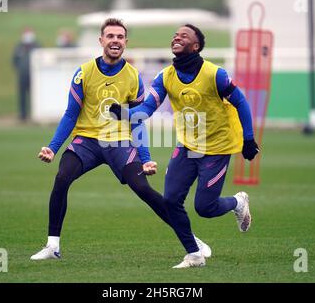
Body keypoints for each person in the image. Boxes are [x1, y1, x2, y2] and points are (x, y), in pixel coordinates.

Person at [30, 18, 211, 261]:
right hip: (87, 141)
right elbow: (71, 114)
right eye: (110, 36)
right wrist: (53, 148)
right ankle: (53, 246)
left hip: (119, 142)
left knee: (143, 189)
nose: (115, 40)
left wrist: (146, 158)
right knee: (62, 178)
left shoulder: (133, 76)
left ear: (125, 42)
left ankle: (190, 238)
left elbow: (137, 120)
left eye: (120, 37)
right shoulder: (83, 73)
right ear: (101, 40)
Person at [110, 24, 260, 268]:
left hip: (217, 148)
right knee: (170, 200)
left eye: (184, 36)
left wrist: (249, 138)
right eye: (175, 35)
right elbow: (147, 109)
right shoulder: (166, 76)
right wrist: (125, 113)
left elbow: (241, 102)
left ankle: (238, 202)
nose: (177, 37)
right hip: (188, 146)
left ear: (196, 46)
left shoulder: (215, 75)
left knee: (205, 207)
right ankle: (194, 254)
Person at [12, 27, 40, 121]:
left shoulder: (37, 46)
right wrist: (19, 69)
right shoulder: (19, 46)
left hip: (34, 76)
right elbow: (14, 60)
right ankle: (23, 114)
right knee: (22, 95)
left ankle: (34, 114)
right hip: (22, 75)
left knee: (34, 95)